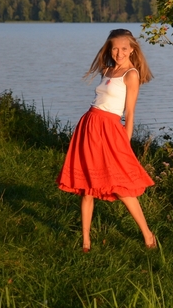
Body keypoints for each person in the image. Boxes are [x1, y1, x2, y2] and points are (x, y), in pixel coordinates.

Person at [56, 28, 156, 252]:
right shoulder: (107, 70)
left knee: (121, 187)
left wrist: (125, 142)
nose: (119, 53)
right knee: (87, 187)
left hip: (110, 130)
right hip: (89, 125)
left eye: (124, 48)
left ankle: (148, 235)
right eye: (115, 48)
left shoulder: (131, 75)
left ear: (132, 49)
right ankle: (85, 242)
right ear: (109, 49)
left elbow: (129, 113)